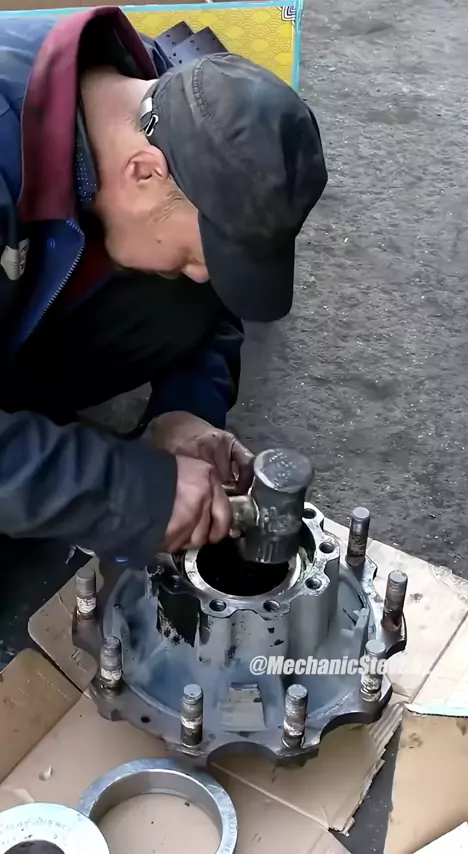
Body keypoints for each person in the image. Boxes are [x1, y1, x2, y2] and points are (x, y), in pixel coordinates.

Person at [0, 6, 328, 566]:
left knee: (181, 288)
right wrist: (130, 493)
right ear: (144, 171)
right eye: (200, 253)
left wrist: (185, 410)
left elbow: (214, 303)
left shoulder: (171, 99)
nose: (203, 274)